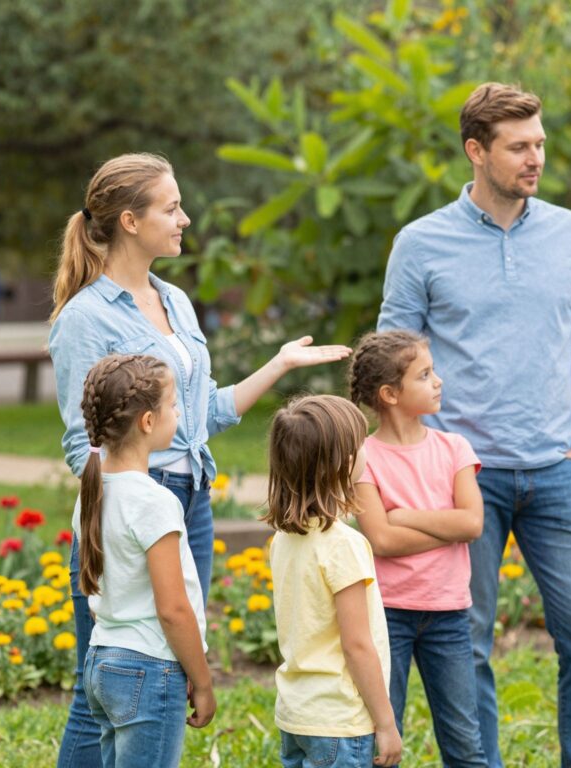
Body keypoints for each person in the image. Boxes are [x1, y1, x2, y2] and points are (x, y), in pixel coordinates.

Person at [48, 152, 352, 767]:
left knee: (172, 665)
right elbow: (85, 441)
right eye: (172, 207)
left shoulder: (176, 302)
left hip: (191, 503)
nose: (185, 218)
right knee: (98, 684)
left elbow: (196, 415)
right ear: (130, 221)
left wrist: (280, 365)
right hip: (129, 507)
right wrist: (119, 508)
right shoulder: (84, 318)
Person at [378, 82, 571, 767]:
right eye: (519, 146)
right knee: (468, 645)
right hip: (460, 480)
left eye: (540, 143)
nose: (535, 158)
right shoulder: (420, 243)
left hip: (559, 475)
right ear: (476, 151)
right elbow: (391, 364)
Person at [349, 330, 487, 766]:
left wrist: (405, 515)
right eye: (424, 375)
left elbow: (473, 522)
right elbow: (382, 540)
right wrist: (446, 527)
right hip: (387, 616)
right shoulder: (362, 457)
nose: (438, 381)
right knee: (383, 742)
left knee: (466, 743)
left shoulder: (454, 448)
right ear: (390, 394)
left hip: (448, 614)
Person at [73, 353, 214, 768]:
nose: (177, 413)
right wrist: (203, 682)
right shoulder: (154, 501)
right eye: (173, 405)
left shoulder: (91, 492)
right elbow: (172, 610)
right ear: (148, 422)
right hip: (151, 669)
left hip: (102, 661)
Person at [264, 395, 401, 768]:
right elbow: (357, 645)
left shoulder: (283, 539)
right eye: (361, 444)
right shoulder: (345, 545)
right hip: (341, 723)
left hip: (297, 714)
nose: (367, 448)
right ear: (341, 463)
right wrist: (386, 722)